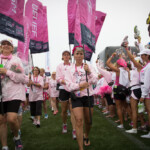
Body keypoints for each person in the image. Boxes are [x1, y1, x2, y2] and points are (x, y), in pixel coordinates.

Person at [64, 46, 98, 150]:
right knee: (79, 120)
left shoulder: (88, 66)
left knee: (88, 121)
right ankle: (80, 148)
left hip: (88, 96)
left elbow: (95, 80)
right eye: (77, 54)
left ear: (84, 55)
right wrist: (80, 86)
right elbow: (68, 84)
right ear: (73, 55)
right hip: (76, 97)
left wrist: (89, 72)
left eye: (81, 54)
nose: (79, 56)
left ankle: (86, 135)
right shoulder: (69, 69)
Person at [0, 39, 29, 150]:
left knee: (11, 118)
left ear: (12, 48)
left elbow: (22, 77)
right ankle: (5, 146)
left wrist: (6, 72)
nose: (6, 46)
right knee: (1, 120)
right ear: (1, 47)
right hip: (1, 94)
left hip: (14, 93)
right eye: (4, 44)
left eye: (9, 44)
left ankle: (16, 137)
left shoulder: (16, 60)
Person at [56, 50, 76, 139]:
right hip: (63, 89)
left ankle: (74, 129)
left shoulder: (73, 65)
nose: (66, 56)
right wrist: (66, 82)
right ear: (62, 57)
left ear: (70, 57)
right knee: (64, 111)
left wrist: (71, 83)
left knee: (72, 110)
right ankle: (64, 124)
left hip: (72, 89)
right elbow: (58, 78)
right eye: (65, 55)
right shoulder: (59, 66)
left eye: (68, 55)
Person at [106, 52, 130, 129]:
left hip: (118, 89)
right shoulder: (126, 70)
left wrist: (112, 55)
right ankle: (133, 122)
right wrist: (120, 57)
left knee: (119, 107)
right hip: (125, 89)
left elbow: (107, 63)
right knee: (126, 107)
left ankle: (122, 124)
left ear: (119, 64)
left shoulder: (118, 70)